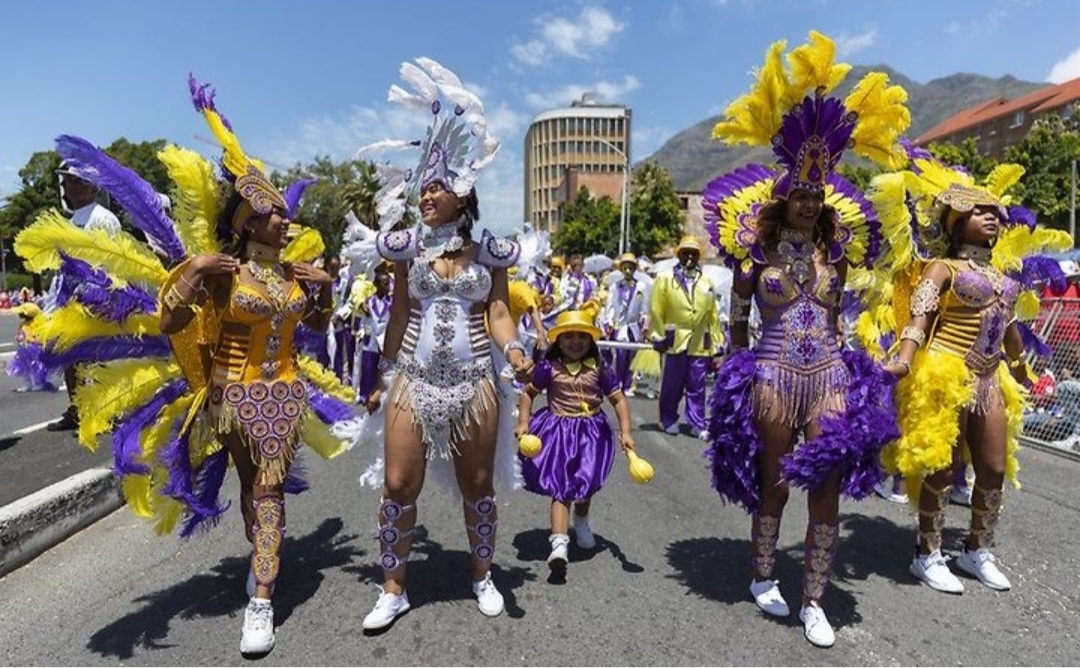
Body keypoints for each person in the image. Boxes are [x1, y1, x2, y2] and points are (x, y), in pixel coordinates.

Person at [703, 32, 909, 648]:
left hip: (827, 379)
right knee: (773, 480)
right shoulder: (752, 257)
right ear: (782, 198)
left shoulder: (838, 259)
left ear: (824, 204)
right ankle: (764, 572)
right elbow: (737, 324)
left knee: (824, 482)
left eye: (817, 195)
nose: (809, 201)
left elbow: (845, 319)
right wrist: (731, 369)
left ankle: (813, 597)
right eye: (800, 193)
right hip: (769, 377)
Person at [349, 58, 533, 631]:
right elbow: (401, 314)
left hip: (476, 382)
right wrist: (377, 377)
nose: (424, 195)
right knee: (400, 484)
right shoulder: (406, 252)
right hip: (412, 379)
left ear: (462, 193)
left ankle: (481, 576)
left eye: (435, 187)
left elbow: (499, 312)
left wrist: (518, 350)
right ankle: (394, 589)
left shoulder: (490, 255)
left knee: (477, 484)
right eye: (422, 187)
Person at [879, 149, 1073, 595]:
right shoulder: (941, 268)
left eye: (996, 213)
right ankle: (926, 553)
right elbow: (920, 317)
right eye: (980, 211)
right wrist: (905, 357)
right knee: (943, 470)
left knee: (992, 467)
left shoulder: (1004, 277)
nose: (992, 218)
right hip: (945, 373)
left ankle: (976, 548)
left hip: (990, 379)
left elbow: (1009, 328)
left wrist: (1025, 371)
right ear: (954, 221)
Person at [515, 309, 636, 571]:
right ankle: (559, 543)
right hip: (557, 432)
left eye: (582, 336)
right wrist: (524, 422)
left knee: (585, 483)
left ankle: (581, 521)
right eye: (568, 336)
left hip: (591, 434)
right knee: (561, 487)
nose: (575, 341)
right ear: (558, 340)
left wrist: (626, 431)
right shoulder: (548, 367)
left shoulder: (600, 367)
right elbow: (528, 394)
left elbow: (618, 399)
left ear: (591, 340)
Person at [45, 162, 122, 432]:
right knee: (71, 357)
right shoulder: (71, 220)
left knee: (98, 358)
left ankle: (106, 411)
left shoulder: (103, 217)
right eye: (67, 181)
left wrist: (104, 297)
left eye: (75, 181)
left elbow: (111, 259)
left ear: (91, 186)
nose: (68, 186)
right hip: (70, 299)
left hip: (95, 297)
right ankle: (77, 408)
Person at [649, 235, 723, 440]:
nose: (690, 257)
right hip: (675, 339)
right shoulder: (665, 279)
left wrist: (717, 341)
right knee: (672, 384)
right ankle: (668, 419)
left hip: (699, 341)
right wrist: (658, 334)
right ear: (679, 255)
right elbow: (656, 309)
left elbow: (713, 314)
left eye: (694, 253)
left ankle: (696, 422)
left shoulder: (706, 282)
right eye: (685, 253)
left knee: (697, 385)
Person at [601, 252, 649, 396]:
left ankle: (629, 385)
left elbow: (644, 307)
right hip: (620, 326)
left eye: (630, 268)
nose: (628, 271)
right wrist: (609, 321)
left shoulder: (641, 286)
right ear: (621, 269)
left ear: (635, 269)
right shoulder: (615, 286)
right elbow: (610, 305)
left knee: (632, 356)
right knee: (620, 355)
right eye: (625, 268)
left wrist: (644, 321)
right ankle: (617, 383)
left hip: (634, 327)